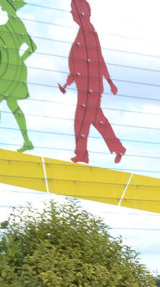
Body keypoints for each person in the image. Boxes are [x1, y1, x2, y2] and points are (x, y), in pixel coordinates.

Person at [59, 0, 126, 164]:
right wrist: (68, 84)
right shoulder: (83, 31)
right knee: (97, 120)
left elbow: (98, 59)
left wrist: (110, 82)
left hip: (91, 88)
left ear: (81, 12)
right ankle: (117, 149)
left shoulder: (88, 31)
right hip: (86, 88)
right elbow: (78, 64)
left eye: (72, 10)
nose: (71, 13)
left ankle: (83, 155)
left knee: (82, 121)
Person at [0, 0, 36, 152]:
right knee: (12, 104)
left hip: (13, 69)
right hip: (10, 68)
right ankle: (26, 142)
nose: (0, 5)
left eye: (2, 3)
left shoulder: (17, 23)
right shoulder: (12, 23)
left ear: (9, 4)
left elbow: (32, 47)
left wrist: (18, 61)